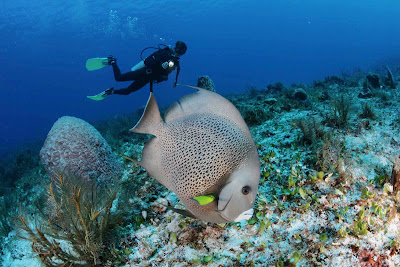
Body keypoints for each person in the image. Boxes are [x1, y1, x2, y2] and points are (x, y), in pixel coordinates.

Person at [87, 41, 187, 100]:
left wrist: (164, 76)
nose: (178, 53)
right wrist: (161, 64)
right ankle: (112, 61)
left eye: (181, 53)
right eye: (178, 50)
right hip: (144, 72)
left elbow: (165, 75)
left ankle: (111, 92)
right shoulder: (165, 53)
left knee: (127, 91)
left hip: (147, 79)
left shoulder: (175, 63)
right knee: (119, 78)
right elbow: (149, 62)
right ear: (175, 48)